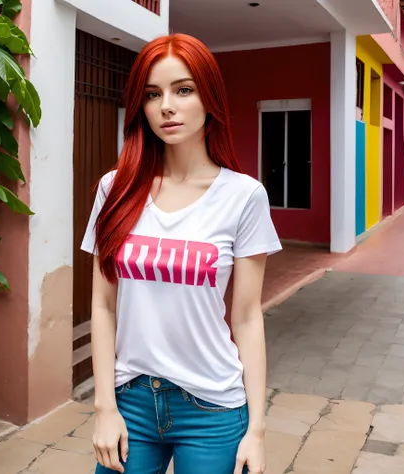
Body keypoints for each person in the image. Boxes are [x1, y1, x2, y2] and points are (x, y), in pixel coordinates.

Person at [81, 33, 282, 474]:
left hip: (212, 407)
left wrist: (258, 429)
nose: (166, 106)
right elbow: (102, 304)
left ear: (209, 97)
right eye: (153, 94)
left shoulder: (244, 196)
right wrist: (104, 408)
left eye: (183, 89)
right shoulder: (114, 190)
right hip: (130, 400)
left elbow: (247, 318)